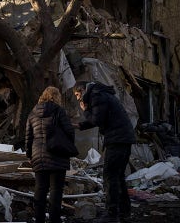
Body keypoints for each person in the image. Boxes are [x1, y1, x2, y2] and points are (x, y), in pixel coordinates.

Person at [73, 81, 136, 223]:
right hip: (123, 138)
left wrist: (85, 111)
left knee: (109, 175)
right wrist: (79, 125)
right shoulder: (100, 94)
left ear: (82, 90)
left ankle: (111, 214)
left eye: (77, 95)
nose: (78, 99)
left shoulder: (96, 96)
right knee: (118, 176)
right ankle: (124, 211)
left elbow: (97, 120)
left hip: (117, 139)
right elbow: (98, 118)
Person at [25, 86, 75, 223]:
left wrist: (29, 155)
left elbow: (28, 137)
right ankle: (54, 220)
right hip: (58, 156)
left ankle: (39, 220)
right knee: (56, 191)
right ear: (56, 97)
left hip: (38, 157)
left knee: (40, 190)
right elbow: (70, 131)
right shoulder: (59, 111)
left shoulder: (32, 113)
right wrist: (68, 146)